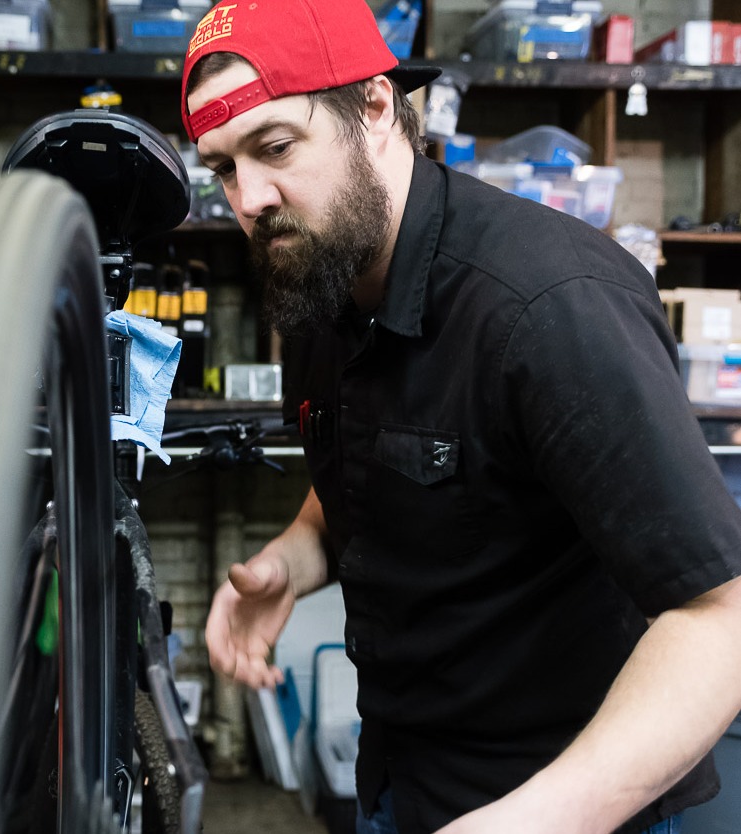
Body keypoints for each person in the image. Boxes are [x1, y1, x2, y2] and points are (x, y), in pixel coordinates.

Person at [180, 1, 741, 833]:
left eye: (274, 147)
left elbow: (718, 616)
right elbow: (377, 467)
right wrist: (293, 560)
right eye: (223, 168)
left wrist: (536, 820)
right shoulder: (319, 280)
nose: (250, 199)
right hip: (401, 779)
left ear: (374, 109)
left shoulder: (548, 308)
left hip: (564, 802)